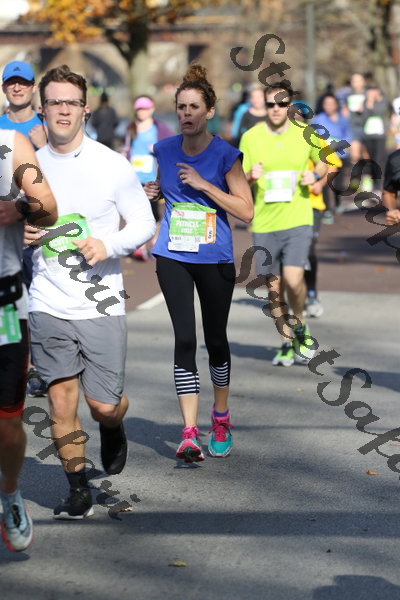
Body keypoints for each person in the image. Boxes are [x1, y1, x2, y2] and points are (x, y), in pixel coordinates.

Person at [24, 65, 155, 519]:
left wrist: (108, 244)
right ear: (42, 110)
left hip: (101, 301)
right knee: (61, 400)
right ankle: (77, 489)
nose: (63, 110)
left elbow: (144, 222)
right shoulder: (28, 167)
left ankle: (113, 425)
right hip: (47, 299)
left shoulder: (110, 164)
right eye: (54, 102)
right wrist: (19, 231)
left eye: (71, 102)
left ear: (85, 109)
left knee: (103, 405)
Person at [145, 64, 253, 463]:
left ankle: (220, 417)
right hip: (173, 254)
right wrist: (155, 192)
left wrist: (206, 184)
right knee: (185, 339)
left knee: (216, 340)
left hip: (214, 258)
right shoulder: (164, 149)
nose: (186, 114)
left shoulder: (226, 155)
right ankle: (189, 432)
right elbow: (167, 190)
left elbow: (246, 210)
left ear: (209, 111)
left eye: (194, 107)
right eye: (181, 107)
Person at [239, 81, 328, 367]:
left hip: (297, 218)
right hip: (265, 222)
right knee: (274, 288)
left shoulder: (305, 133)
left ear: (290, 106)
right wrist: (250, 176)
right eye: (270, 104)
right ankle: (287, 341)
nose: (276, 109)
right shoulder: (251, 137)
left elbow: (325, 160)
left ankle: (299, 324)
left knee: (293, 279)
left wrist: (315, 175)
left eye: (281, 104)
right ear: (264, 106)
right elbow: (238, 179)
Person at [0, 129, 58, 551]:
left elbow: (48, 207)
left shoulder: (11, 145)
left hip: (3, 303)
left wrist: (20, 207)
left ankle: (10, 493)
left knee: (7, 427)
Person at [0, 60, 49, 397]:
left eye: (23, 82)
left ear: (33, 87)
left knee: (38, 300)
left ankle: (38, 367)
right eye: (11, 83)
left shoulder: (46, 127)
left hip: (39, 226)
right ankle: (17, 365)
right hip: (6, 233)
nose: (17, 88)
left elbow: (66, 171)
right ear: (5, 88)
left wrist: (44, 145)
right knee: (10, 303)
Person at [123, 95, 173, 260]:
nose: (142, 112)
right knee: (137, 213)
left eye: (145, 109)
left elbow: (173, 145)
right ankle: (141, 245)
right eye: (139, 109)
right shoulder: (131, 127)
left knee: (154, 213)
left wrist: (158, 147)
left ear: (152, 109)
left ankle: (155, 241)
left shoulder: (160, 128)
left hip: (152, 178)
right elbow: (126, 147)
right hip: (134, 178)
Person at [313, 93, 352, 216]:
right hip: (325, 156)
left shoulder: (342, 119)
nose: (329, 106)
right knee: (325, 181)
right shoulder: (318, 119)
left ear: (336, 105)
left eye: (331, 104)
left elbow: (348, 136)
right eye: (326, 104)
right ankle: (326, 208)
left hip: (340, 154)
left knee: (339, 183)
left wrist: (339, 144)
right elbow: (313, 136)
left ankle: (338, 203)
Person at [362, 85, 389, 194]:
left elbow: (378, 112)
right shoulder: (365, 102)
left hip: (380, 136)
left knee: (378, 159)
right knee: (369, 160)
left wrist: (371, 103)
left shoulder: (384, 101)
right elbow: (364, 116)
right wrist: (368, 103)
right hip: (368, 135)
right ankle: (370, 185)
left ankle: (378, 186)